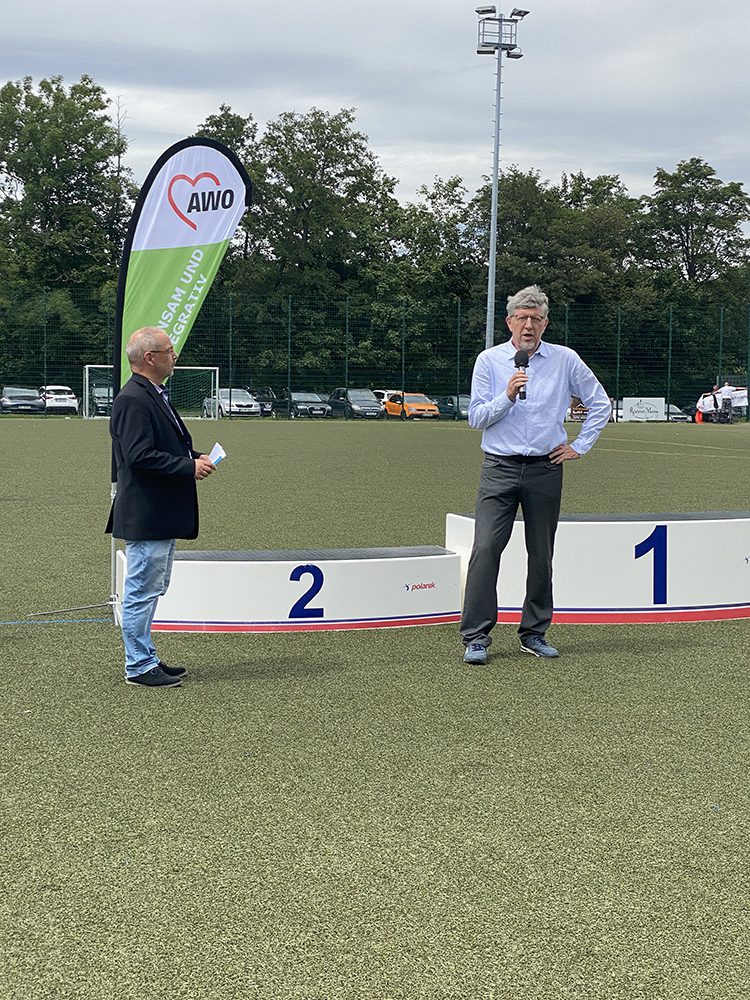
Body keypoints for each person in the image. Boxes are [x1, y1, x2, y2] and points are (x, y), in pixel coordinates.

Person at [460, 285, 611, 664]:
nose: (528, 325)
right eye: (522, 318)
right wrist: (507, 395)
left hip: (546, 468)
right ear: (509, 321)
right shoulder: (489, 361)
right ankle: (476, 637)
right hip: (499, 468)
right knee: (485, 549)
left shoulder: (565, 359)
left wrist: (580, 445)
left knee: (541, 554)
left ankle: (534, 632)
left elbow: (599, 403)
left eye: (536, 319)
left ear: (545, 323)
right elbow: (476, 417)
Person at [106, 327, 216, 688]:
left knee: (151, 588)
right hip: (147, 513)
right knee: (141, 590)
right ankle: (138, 665)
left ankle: (146, 657)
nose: (175, 356)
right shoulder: (133, 399)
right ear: (149, 358)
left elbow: (165, 445)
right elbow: (139, 456)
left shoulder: (151, 394)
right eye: (169, 351)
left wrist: (194, 456)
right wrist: (187, 467)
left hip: (159, 512)